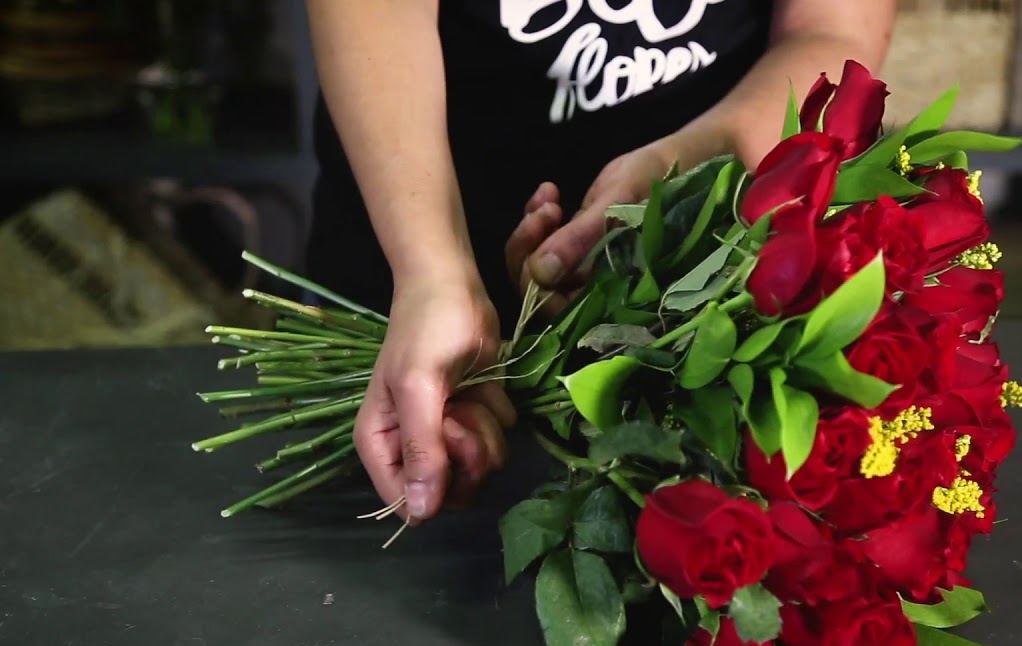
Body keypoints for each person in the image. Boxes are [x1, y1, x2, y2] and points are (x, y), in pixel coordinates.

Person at [303, 0, 896, 523]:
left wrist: (687, 175)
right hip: (408, 275)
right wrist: (432, 269)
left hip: (690, 306)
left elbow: (834, 30)